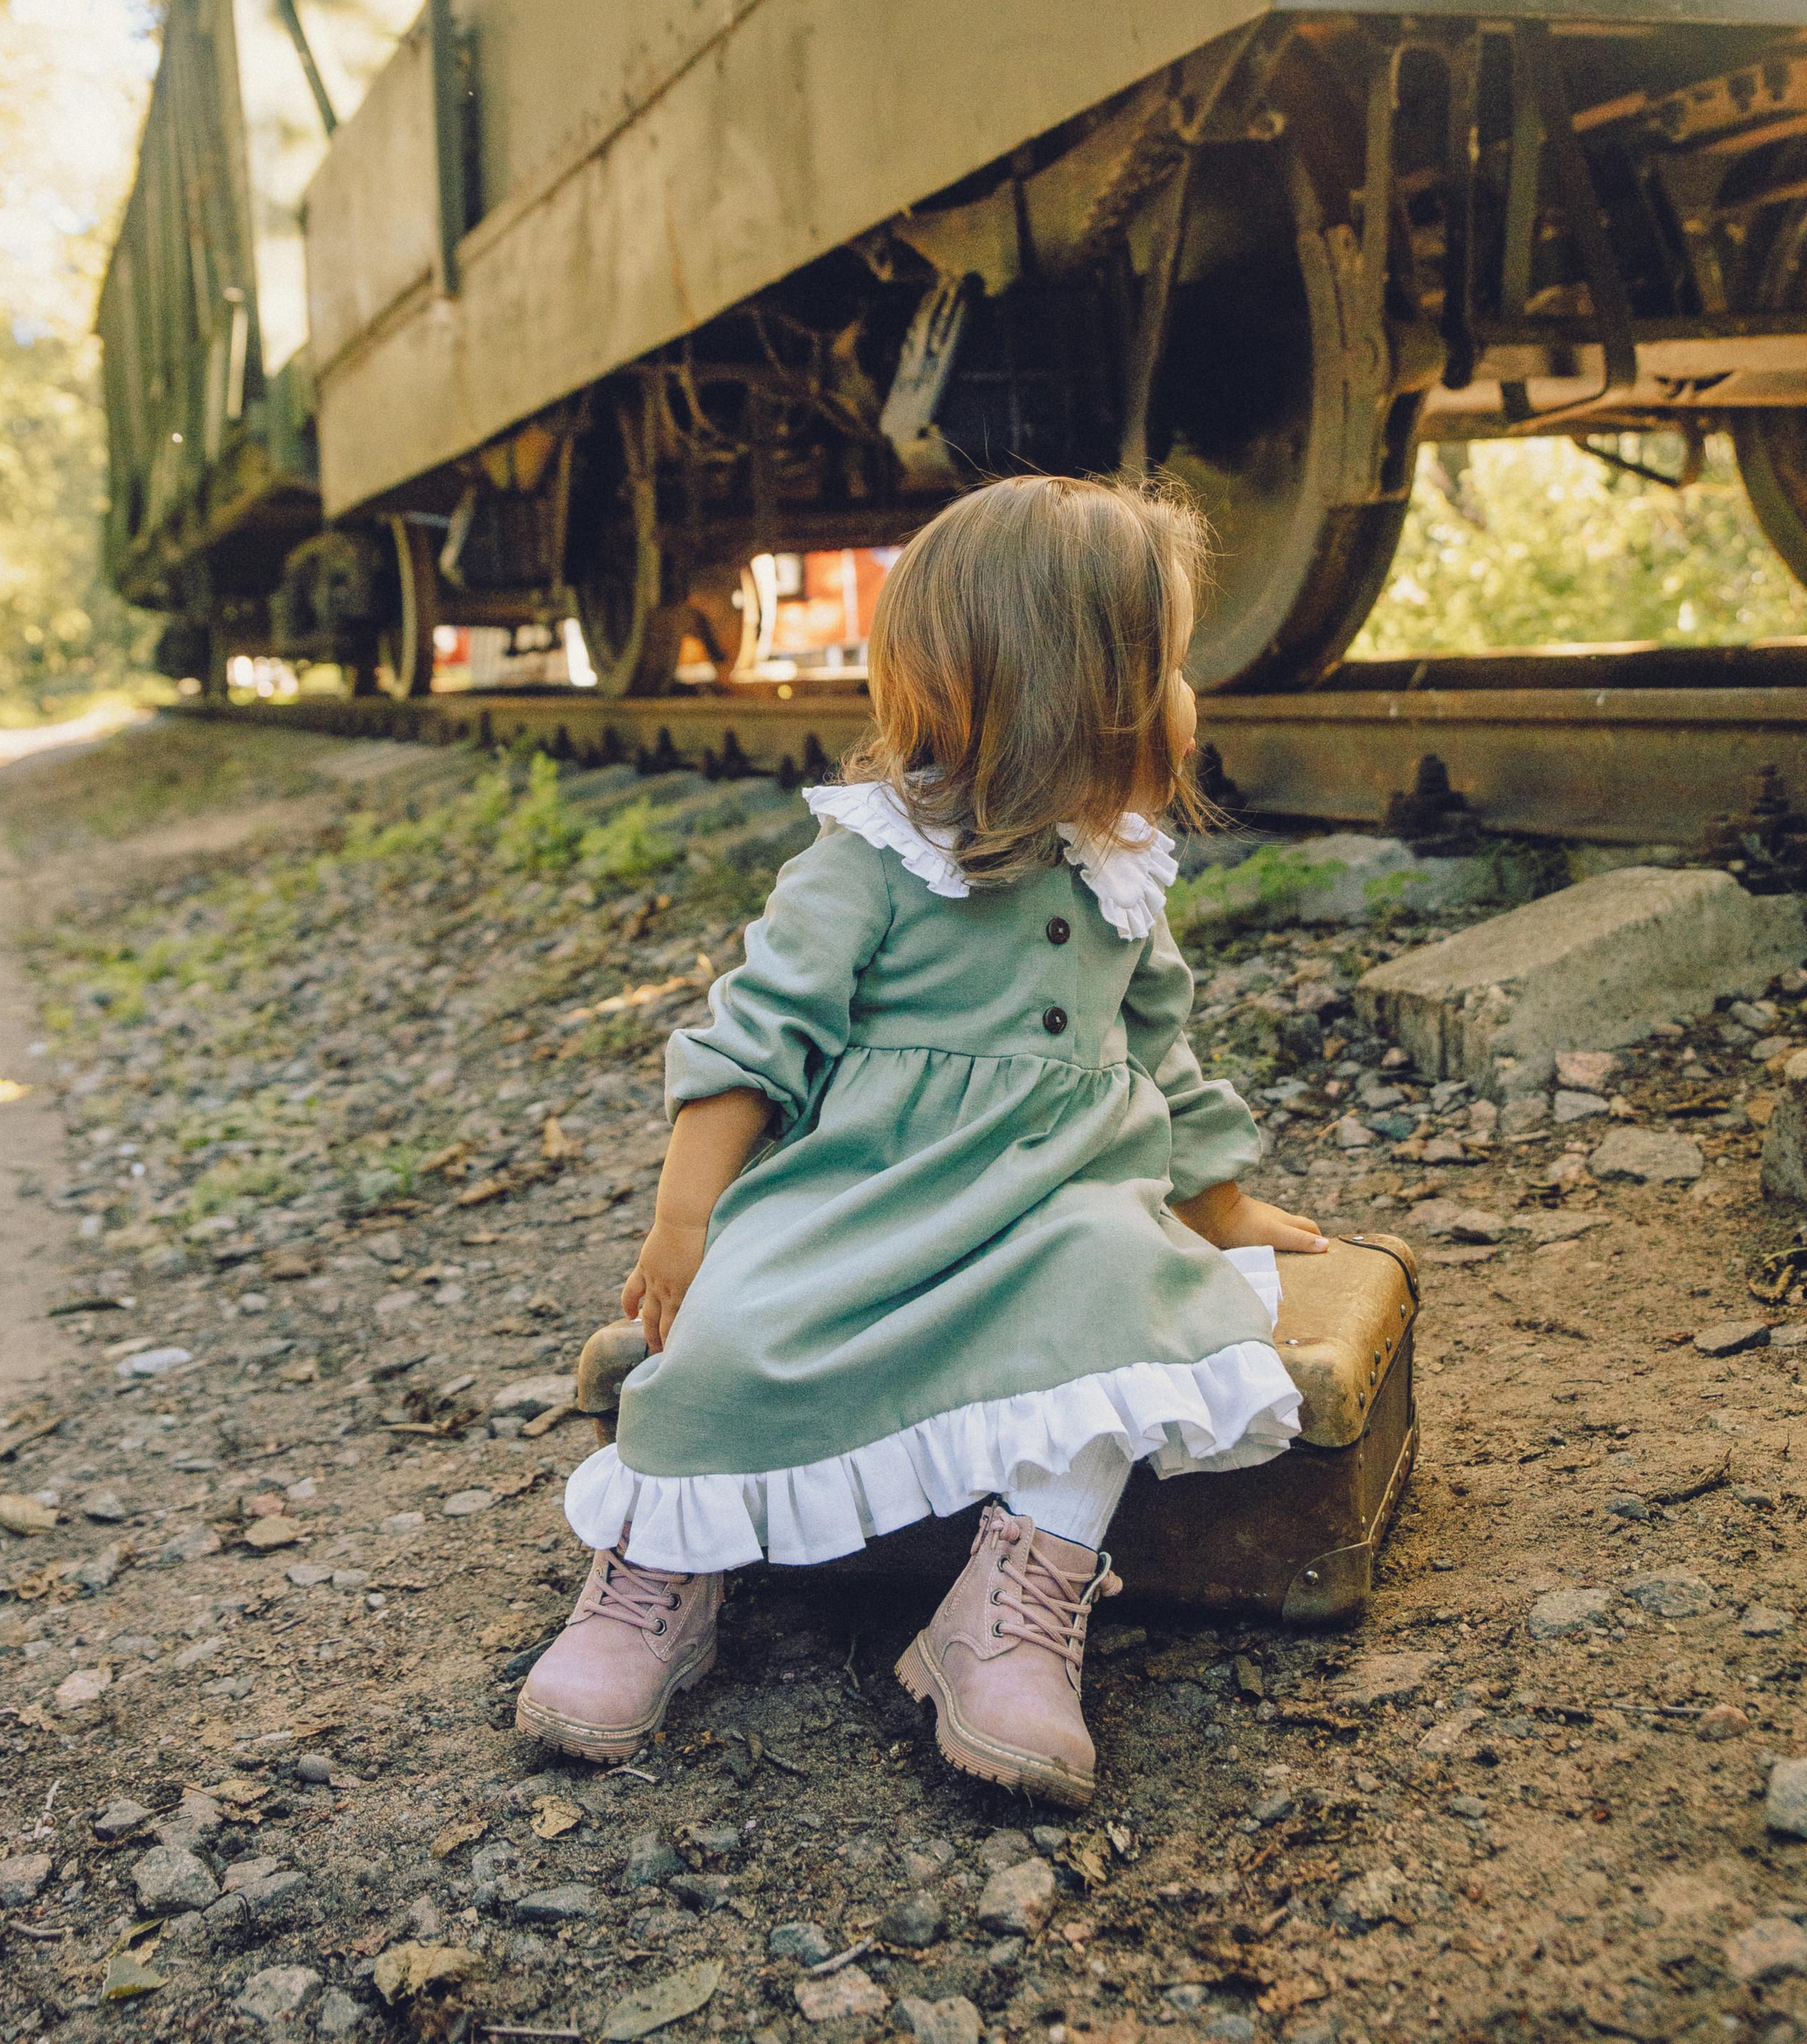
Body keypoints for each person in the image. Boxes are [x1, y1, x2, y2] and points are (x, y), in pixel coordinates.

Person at [516, 474, 1325, 1805]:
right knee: (728, 1334)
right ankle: (659, 1573)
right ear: (1079, 688)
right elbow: (752, 1041)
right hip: (865, 1196)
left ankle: (1007, 1612)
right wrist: (686, 1223)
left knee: (1129, 1309)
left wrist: (1223, 1205)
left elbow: (1164, 1053)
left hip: (1063, 1205)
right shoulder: (872, 860)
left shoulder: (1117, 868)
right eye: (1167, 667)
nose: (1189, 700)